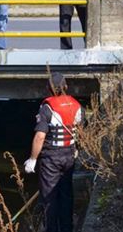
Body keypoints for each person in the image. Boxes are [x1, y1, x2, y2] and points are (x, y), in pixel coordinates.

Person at [24, 73, 83, 232]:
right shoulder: (75, 105)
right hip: (69, 155)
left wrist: (32, 159)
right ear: (66, 87)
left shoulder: (47, 107)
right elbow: (81, 132)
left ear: (49, 89)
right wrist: (76, 148)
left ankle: (51, 229)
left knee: (49, 198)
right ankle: (67, 228)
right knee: (66, 195)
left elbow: (40, 136)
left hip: (51, 158)